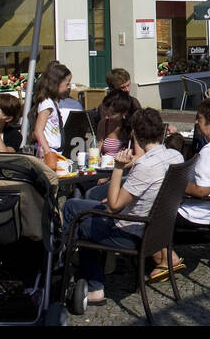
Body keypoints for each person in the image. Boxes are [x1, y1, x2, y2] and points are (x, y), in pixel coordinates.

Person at [64, 108, 183, 303]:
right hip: (157, 230)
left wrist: (118, 168)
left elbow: (113, 207)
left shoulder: (145, 166)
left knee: (80, 221)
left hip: (131, 232)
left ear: (135, 134)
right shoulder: (175, 156)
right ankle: (88, 269)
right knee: (74, 205)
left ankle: (88, 282)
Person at [152, 97, 210, 280]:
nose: (196, 122)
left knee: (150, 209)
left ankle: (165, 258)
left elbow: (201, 190)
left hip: (198, 213)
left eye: (199, 119)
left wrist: (175, 185)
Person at [27, 62, 72, 155]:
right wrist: (48, 152)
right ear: (57, 83)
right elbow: (38, 131)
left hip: (55, 150)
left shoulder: (52, 102)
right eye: (67, 83)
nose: (69, 86)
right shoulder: (46, 103)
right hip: (48, 151)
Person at [96, 91, 136, 158]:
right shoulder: (104, 123)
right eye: (106, 112)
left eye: (112, 114)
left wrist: (118, 166)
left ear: (124, 113)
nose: (106, 117)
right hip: (106, 166)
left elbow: (139, 156)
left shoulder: (133, 127)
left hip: (125, 166)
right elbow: (97, 149)